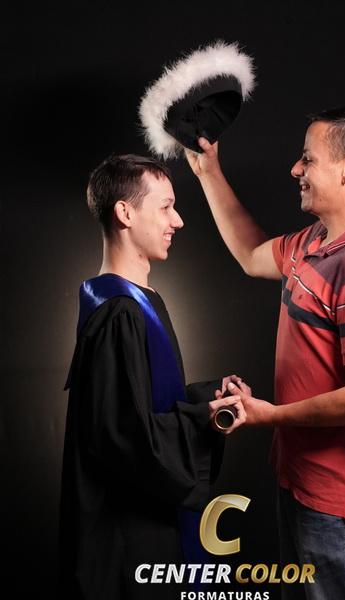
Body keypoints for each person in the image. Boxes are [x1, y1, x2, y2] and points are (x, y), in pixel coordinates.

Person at [185, 107, 345, 600]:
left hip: (338, 503)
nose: (296, 169)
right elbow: (252, 256)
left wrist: (270, 415)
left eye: (308, 159)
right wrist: (208, 171)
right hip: (304, 482)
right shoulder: (321, 240)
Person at [57, 154, 246, 600]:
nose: (177, 220)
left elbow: (140, 402)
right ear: (125, 213)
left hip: (146, 526)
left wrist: (210, 399)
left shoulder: (138, 300)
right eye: (165, 207)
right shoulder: (117, 311)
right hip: (130, 542)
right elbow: (125, 437)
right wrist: (204, 420)